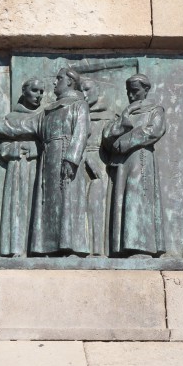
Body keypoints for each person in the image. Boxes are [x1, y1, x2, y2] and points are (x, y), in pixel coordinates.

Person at [0, 68, 90, 256]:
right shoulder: (48, 110)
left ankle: (69, 246)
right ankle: (48, 246)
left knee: (67, 201)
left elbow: (81, 132)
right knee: (47, 202)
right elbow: (22, 125)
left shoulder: (78, 105)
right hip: (48, 158)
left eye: (58, 79)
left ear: (69, 82)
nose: (54, 83)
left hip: (66, 155)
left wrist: (72, 158)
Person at [102, 74, 167, 257]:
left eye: (135, 91)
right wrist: (118, 132)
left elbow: (154, 131)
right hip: (123, 162)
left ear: (146, 90)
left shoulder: (155, 110)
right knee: (123, 199)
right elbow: (108, 134)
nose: (131, 96)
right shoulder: (125, 111)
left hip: (141, 157)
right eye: (128, 92)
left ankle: (141, 245)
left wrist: (125, 142)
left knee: (139, 197)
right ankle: (122, 246)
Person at [0, 78, 43, 257]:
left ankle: (36, 248)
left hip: (37, 168)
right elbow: (2, 147)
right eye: (34, 90)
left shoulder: (44, 117)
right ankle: (15, 248)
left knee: (37, 205)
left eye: (41, 92)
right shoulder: (11, 118)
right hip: (17, 168)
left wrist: (33, 149)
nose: (38, 95)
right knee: (16, 206)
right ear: (24, 91)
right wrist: (17, 149)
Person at [79, 77, 112, 256]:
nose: (84, 94)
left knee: (97, 206)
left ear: (97, 91)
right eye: (81, 90)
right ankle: (82, 249)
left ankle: (98, 250)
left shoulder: (108, 116)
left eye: (88, 90)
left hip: (100, 164)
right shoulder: (77, 114)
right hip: (79, 162)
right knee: (80, 208)